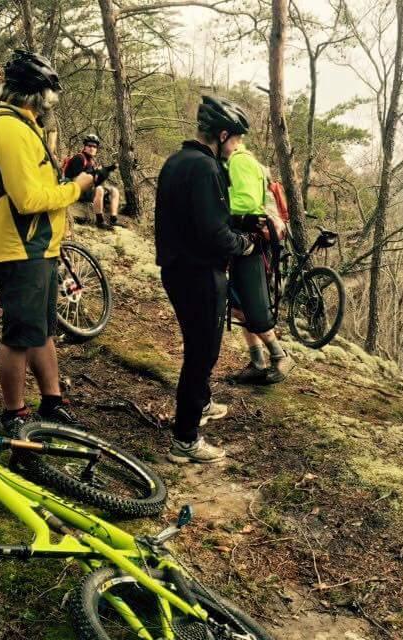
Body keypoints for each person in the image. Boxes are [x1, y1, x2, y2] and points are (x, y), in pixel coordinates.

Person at [0, 50, 113, 431]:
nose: (50, 103)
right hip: (18, 247)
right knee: (19, 335)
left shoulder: (26, 127)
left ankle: (52, 400)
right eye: (47, 95)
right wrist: (76, 188)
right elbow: (27, 201)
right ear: (31, 93)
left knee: (43, 329)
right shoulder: (7, 129)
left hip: (39, 247)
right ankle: (14, 412)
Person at [155, 95, 256, 463]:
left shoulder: (177, 161)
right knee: (203, 352)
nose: (238, 146)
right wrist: (244, 244)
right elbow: (214, 232)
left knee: (198, 345)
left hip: (176, 269)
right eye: (237, 139)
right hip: (199, 273)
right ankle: (185, 439)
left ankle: (201, 402)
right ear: (223, 134)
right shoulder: (206, 168)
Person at [225, 143, 294, 385]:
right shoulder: (237, 162)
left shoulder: (240, 161)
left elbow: (246, 205)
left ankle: (280, 356)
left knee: (254, 306)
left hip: (252, 247)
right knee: (238, 307)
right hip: (241, 246)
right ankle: (257, 362)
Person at [63, 134, 122, 229]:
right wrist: (95, 173)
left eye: (94, 147)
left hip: (87, 190)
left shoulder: (91, 161)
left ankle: (113, 219)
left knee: (114, 191)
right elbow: (77, 179)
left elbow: (96, 177)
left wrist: (112, 167)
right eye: (89, 146)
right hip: (75, 190)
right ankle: (100, 221)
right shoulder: (79, 158)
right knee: (99, 189)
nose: (92, 148)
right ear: (85, 147)